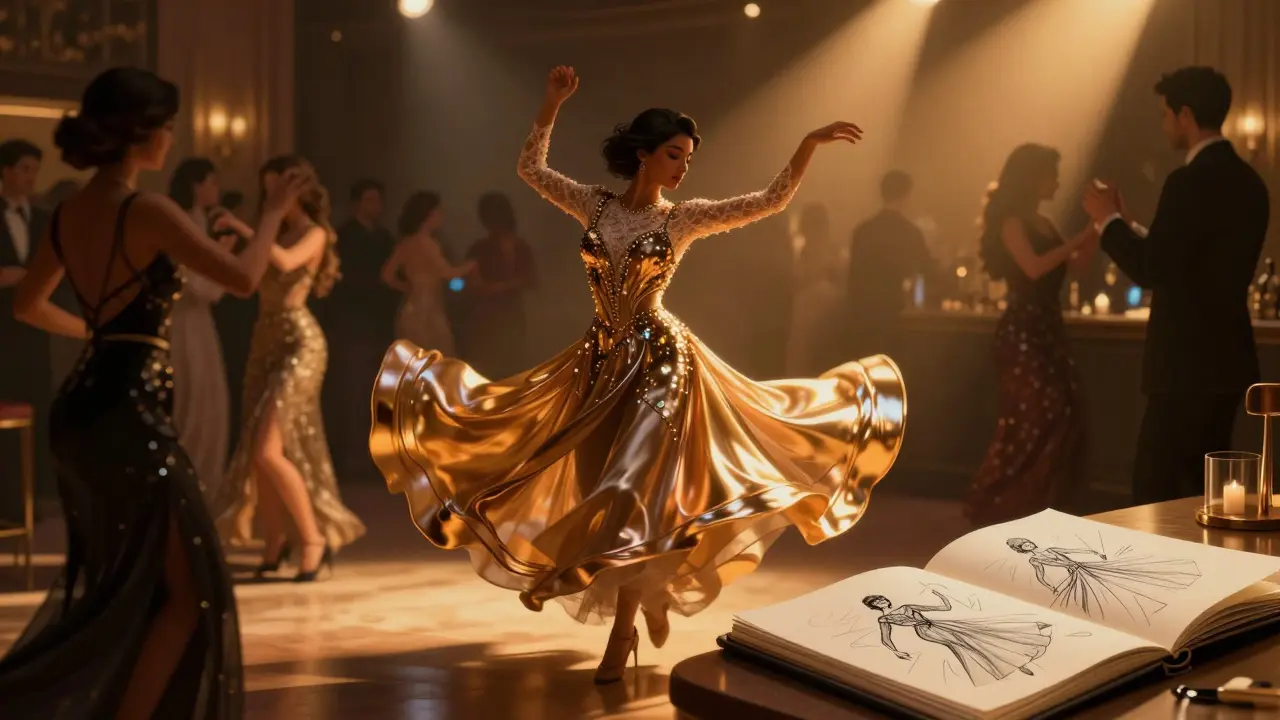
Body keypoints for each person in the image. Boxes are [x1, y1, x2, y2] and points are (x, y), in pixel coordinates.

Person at [369, 66, 905, 684]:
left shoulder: (683, 219)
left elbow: (768, 202)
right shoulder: (594, 205)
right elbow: (531, 170)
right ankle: (649, 590)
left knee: (630, 492)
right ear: (644, 154)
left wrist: (807, 145)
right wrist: (551, 103)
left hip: (661, 363)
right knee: (594, 489)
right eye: (674, 155)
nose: (683, 168)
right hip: (597, 364)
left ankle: (622, 632)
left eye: (689, 159)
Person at [0, 66, 305, 718]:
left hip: (82, 408)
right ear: (137, 132)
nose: (171, 136)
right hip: (126, 411)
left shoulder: (68, 212)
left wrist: (97, 332)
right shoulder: (147, 210)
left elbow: (27, 305)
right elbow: (244, 280)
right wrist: (273, 214)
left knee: (128, 587)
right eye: (165, 125)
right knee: (189, 590)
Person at [1084, 67, 1270, 506]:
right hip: (1227, 360)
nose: (1164, 125)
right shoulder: (1251, 183)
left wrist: (1107, 222)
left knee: (1157, 492)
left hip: (1183, 363)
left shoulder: (1187, 181)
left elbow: (1153, 268)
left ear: (1185, 115)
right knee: (1208, 493)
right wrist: (1129, 225)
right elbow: (1189, 259)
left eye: (1165, 115)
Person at [210, 156, 366, 581]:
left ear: (298, 190)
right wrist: (225, 251)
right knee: (257, 452)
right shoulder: (270, 232)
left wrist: (246, 229)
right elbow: (244, 284)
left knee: (267, 447)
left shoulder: (316, 233)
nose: (272, 197)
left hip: (301, 343)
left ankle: (313, 539)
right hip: (264, 343)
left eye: (278, 189)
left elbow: (283, 262)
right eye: (268, 190)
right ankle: (275, 540)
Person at [966, 145, 1097, 526]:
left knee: (1066, 411)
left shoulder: (1045, 222)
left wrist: (1095, 230)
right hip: (1022, 331)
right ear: (1033, 178)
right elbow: (1034, 267)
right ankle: (1003, 501)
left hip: (1048, 327)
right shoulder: (1012, 222)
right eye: (1051, 174)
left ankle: (1048, 502)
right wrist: (1077, 239)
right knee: (1034, 414)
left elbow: (1077, 265)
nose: (1057, 181)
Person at [168, 157, 233, 500]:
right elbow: (206, 289)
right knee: (196, 406)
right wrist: (223, 255)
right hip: (185, 324)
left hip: (196, 323)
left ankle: (200, 489)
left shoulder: (197, 222)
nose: (216, 189)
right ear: (197, 186)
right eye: (212, 182)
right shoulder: (186, 225)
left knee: (206, 405)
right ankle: (192, 491)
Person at [323, 178, 396, 480]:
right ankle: (350, 460)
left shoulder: (384, 237)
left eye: (377, 200)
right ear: (356, 204)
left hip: (378, 321)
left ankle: (373, 459)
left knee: (374, 391)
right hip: (352, 320)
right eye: (368, 200)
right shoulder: (344, 236)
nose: (375, 206)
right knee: (351, 390)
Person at [0, 139, 56, 521]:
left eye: (34, 170)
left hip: (35, 332)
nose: (30, 177)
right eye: (24, 169)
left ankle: (29, 500)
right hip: (1, 329)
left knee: (35, 409)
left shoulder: (44, 219)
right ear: (5, 171)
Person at [844, 171, 934, 360]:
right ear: (907, 195)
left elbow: (852, 277)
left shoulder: (863, 231)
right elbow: (928, 270)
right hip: (894, 317)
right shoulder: (910, 232)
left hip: (862, 317)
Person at [381, 191, 475, 354]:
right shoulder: (429, 244)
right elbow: (447, 273)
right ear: (428, 215)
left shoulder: (405, 243)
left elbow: (387, 276)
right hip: (428, 313)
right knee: (436, 357)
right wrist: (471, 265)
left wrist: (408, 288)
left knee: (413, 358)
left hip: (410, 308)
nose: (442, 216)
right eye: (438, 212)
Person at [462, 192, 537, 378]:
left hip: (507, 313)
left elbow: (531, 279)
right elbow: (469, 284)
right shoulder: (481, 248)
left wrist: (498, 287)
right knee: (492, 364)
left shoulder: (519, 247)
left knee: (510, 362)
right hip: (489, 315)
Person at [786, 203, 843, 375]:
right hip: (827, 316)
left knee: (802, 363)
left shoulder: (800, 255)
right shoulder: (834, 254)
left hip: (806, 316)